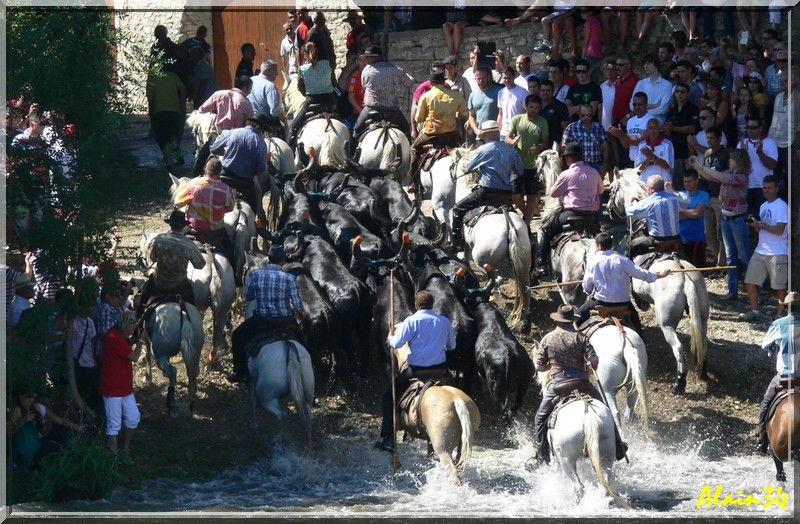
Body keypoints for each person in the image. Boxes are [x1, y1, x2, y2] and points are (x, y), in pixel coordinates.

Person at [528, 303, 626, 468]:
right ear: (571, 320)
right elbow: (594, 360)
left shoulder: (548, 339)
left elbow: (539, 366)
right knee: (606, 409)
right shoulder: (581, 337)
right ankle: (618, 447)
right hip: (582, 384)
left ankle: (541, 456)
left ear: (558, 321)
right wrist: (591, 364)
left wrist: (549, 366)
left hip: (558, 385)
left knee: (540, 418)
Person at [375, 290, 456, 453]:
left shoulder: (411, 321)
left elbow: (397, 344)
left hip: (417, 371)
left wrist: (391, 338)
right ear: (432, 305)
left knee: (388, 397)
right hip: (440, 371)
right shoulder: (444, 321)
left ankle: (388, 437)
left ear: (416, 305)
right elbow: (452, 346)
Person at [229, 244, 304, 383]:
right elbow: (298, 305)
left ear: (269, 259)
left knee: (237, 336)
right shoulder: (289, 278)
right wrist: (302, 312)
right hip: (285, 320)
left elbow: (248, 297)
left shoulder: (256, 275)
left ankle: (241, 372)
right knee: (304, 339)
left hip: (262, 319)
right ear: (282, 260)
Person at [450, 120, 525, 250]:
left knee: (457, 208)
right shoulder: (510, 150)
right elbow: (520, 170)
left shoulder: (483, 150)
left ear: (484, 135)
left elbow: (468, 168)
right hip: (506, 195)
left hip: (486, 193)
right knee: (516, 219)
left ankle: (456, 244)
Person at [578, 232, 670, 331]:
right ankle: (642, 338)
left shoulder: (593, 261)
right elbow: (640, 273)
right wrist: (658, 275)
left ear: (599, 246)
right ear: (611, 245)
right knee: (635, 320)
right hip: (623, 303)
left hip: (600, 302)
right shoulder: (622, 259)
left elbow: (587, 286)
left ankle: (575, 337)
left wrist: (588, 291)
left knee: (578, 315)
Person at [691, 150, 751, 301]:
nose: (729, 161)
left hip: (737, 220)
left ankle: (753, 290)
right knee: (731, 257)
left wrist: (699, 165)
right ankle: (733, 291)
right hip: (726, 219)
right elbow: (711, 176)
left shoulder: (741, 177)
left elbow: (718, 176)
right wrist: (697, 167)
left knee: (744, 257)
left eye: (732, 159)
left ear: (739, 161)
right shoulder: (729, 172)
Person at [536, 143, 603, 277]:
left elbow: (553, 193)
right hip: (592, 216)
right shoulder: (594, 172)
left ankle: (541, 264)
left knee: (545, 229)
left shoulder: (566, 174)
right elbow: (600, 190)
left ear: (569, 158)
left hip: (571, 214)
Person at [756, 292, 799, 454]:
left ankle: (762, 441)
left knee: (765, 406)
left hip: (784, 377)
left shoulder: (779, 324)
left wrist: (775, 347)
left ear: (786, 307)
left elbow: (765, 345)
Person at [209, 112, 269, 226]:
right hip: (244, 184)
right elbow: (260, 170)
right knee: (255, 209)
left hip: (224, 177)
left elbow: (214, 149)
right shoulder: (261, 143)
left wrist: (228, 153)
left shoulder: (234, 132)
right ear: (261, 127)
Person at [140, 210, 206, 312]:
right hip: (180, 284)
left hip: (159, 282)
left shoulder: (160, 239)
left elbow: (153, 258)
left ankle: (138, 316)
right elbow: (200, 265)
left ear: (170, 224)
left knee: (143, 293)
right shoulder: (189, 244)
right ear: (183, 226)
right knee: (193, 307)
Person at [173, 157, 237, 260]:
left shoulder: (193, 184)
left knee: (174, 243)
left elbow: (178, 202)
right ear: (220, 172)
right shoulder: (225, 189)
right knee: (230, 253)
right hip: (216, 231)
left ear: (204, 169)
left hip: (194, 228)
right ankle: (236, 273)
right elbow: (230, 208)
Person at [744, 176, 788, 320]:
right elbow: (764, 229)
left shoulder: (781, 206)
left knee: (779, 286)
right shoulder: (763, 206)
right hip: (761, 249)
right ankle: (755, 311)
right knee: (750, 281)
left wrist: (761, 225)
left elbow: (780, 230)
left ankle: (780, 315)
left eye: (769, 188)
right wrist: (756, 226)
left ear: (776, 189)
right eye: (764, 187)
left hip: (778, 251)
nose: (766, 190)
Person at [410, 67, 468, 176]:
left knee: (414, 148)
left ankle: (412, 178)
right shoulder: (456, 95)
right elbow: (465, 113)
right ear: (444, 81)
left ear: (431, 83)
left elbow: (419, 119)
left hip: (431, 135)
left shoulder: (426, 96)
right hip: (452, 135)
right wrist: (456, 114)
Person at [9, 388, 85, 470]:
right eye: (28, 397)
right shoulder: (16, 410)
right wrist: (24, 420)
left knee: (62, 430)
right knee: (56, 448)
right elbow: (6, 432)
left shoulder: (36, 408)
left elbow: (59, 421)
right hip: (29, 454)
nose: (31, 400)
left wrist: (81, 428)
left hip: (39, 446)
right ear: (20, 397)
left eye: (33, 397)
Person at [99, 309, 142, 454]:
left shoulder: (117, 335)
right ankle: (114, 456)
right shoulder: (114, 337)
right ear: (126, 325)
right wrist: (141, 342)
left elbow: (126, 348)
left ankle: (125, 449)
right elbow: (134, 357)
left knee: (133, 418)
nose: (134, 327)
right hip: (113, 389)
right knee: (114, 424)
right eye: (133, 325)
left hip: (124, 388)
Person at [354, 46, 416, 138]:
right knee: (406, 130)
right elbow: (410, 82)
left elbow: (364, 86)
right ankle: (410, 151)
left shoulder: (366, 70)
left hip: (372, 109)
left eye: (368, 57)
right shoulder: (395, 69)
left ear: (375, 57)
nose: (365, 60)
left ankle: (353, 151)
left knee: (356, 131)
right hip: (392, 110)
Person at [506, 94, 549, 222]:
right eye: (531, 107)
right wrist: (513, 141)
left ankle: (526, 223)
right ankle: (527, 214)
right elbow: (507, 138)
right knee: (515, 195)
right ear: (525, 106)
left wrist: (539, 147)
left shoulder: (542, 121)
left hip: (533, 165)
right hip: (517, 164)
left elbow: (545, 142)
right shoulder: (517, 119)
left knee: (532, 197)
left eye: (536, 108)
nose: (533, 110)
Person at [287, 42, 336, 147]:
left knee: (293, 128)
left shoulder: (303, 69)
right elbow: (334, 83)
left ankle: (290, 151)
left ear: (305, 54)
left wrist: (309, 93)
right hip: (330, 101)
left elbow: (300, 88)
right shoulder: (328, 65)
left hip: (311, 102)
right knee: (344, 122)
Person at [625, 175, 687, 258]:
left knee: (630, 245)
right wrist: (672, 190)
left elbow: (629, 212)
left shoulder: (647, 202)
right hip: (676, 240)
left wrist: (629, 201)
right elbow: (686, 201)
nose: (646, 190)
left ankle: (629, 269)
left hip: (657, 240)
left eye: (647, 187)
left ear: (652, 189)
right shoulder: (675, 198)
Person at [696, 126, 730, 269]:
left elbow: (723, 177)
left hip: (721, 197)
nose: (709, 141)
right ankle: (718, 259)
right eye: (707, 138)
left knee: (720, 233)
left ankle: (722, 264)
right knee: (708, 232)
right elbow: (706, 176)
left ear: (719, 138)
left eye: (712, 138)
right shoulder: (707, 154)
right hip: (707, 196)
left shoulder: (726, 154)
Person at [146, 63, 187, 164]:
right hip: (174, 109)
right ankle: (176, 152)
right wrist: (182, 104)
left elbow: (150, 98)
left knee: (161, 135)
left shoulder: (152, 78)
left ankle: (167, 156)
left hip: (159, 111)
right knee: (173, 133)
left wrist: (150, 112)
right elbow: (183, 88)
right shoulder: (172, 75)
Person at [737, 116, 778, 214]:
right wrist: (744, 154)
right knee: (746, 220)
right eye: (748, 127)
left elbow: (772, 165)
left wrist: (760, 152)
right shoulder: (742, 143)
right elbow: (737, 168)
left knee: (762, 219)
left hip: (763, 188)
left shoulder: (770, 143)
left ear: (760, 128)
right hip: (745, 187)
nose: (750, 130)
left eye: (753, 127)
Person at [664, 82, 699, 191]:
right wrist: (669, 130)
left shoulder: (693, 108)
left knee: (691, 182)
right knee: (678, 183)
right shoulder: (672, 110)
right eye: (677, 91)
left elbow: (692, 128)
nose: (679, 94)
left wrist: (673, 128)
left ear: (688, 94)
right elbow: (667, 128)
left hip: (688, 150)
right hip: (675, 151)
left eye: (682, 92)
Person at [606, 91, 651, 169]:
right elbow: (626, 145)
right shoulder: (630, 121)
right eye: (635, 104)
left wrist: (621, 135)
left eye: (640, 105)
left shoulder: (651, 120)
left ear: (646, 105)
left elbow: (640, 141)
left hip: (645, 162)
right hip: (631, 161)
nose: (637, 107)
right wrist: (619, 136)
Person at [561, 103, 608, 174]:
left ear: (592, 114)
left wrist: (604, 165)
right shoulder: (572, 127)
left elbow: (605, 147)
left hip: (596, 165)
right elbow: (564, 146)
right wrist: (571, 160)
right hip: (577, 167)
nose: (586, 118)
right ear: (579, 114)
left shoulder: (599, 127)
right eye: (583, 115)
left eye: (589, 115)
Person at [678, 169, 710, 268]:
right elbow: (675, 217)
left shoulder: (704, 195)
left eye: (689, 181)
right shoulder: (679, 195)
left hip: (697, 239)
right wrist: (690, 212)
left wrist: (681, 210)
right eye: (684, 181)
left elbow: (697, 213)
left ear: (696, 181)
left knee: (699, 271)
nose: (686, 184)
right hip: (680, 239)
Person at [631, 54, 673, 124]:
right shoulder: (641, 83)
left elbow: (663, 110)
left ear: (656, 64)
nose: (646, 66)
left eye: (649, 63)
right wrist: (654, 105)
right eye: (644, 64)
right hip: (640, 123)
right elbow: (632, 106)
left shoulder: (667, 85)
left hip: (657, 125)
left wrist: (642, 109)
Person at [634, 118, 675, 189]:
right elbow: (638, 169)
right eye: (650, 128)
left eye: (655, 128)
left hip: (664, 185)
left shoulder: (667, 144)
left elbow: (667, 166)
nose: (653, 131)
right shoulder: (641, 145)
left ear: (660, 129)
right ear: (647, 130)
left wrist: (652, 156)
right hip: (646, 185)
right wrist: (648, 158)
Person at [466, 66, 502, 144]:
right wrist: (476, 130)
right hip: (480, 136)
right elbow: (471, 116)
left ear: (488, 77)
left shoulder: (499, 91)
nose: (481, 81)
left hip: (496, 136)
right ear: (475, 79)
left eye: (483, 78)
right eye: (478, 79)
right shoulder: (473, 95)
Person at [248, 60, 287, 131]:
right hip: (265, 124)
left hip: (250, 121)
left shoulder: (251, 80)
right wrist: (284, 120)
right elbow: (275, 110)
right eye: (275, 71)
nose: (277, 74)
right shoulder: (270, 86)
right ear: (267, 70)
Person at [496, 66, 528, 141]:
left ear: (514, 77)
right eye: (504, 78)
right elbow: (500, 113)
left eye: (509, 77)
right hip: (503, 133)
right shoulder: (501, 92)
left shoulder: (523, 92)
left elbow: (526, 112)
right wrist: (498, 128)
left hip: (518, 132)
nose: (507, 80)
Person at [539, 80, 570, 149]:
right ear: (539, 91)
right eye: (543, 90)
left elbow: (565, 128)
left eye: (548, 90)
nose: (545, 93)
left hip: (554, 147)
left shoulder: (560, 106)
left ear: (553, 91)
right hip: (538, 146)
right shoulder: (536, 105)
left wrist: (562, 144)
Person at [280, 22, 298, 87]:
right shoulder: (284, 42)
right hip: (293, 70)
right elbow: (283, 57)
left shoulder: (299, 38)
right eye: (287, 29)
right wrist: (286, 73)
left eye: (290, 28)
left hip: (302, 68)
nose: (289, 30)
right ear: (284, 31)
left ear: (293, 28)